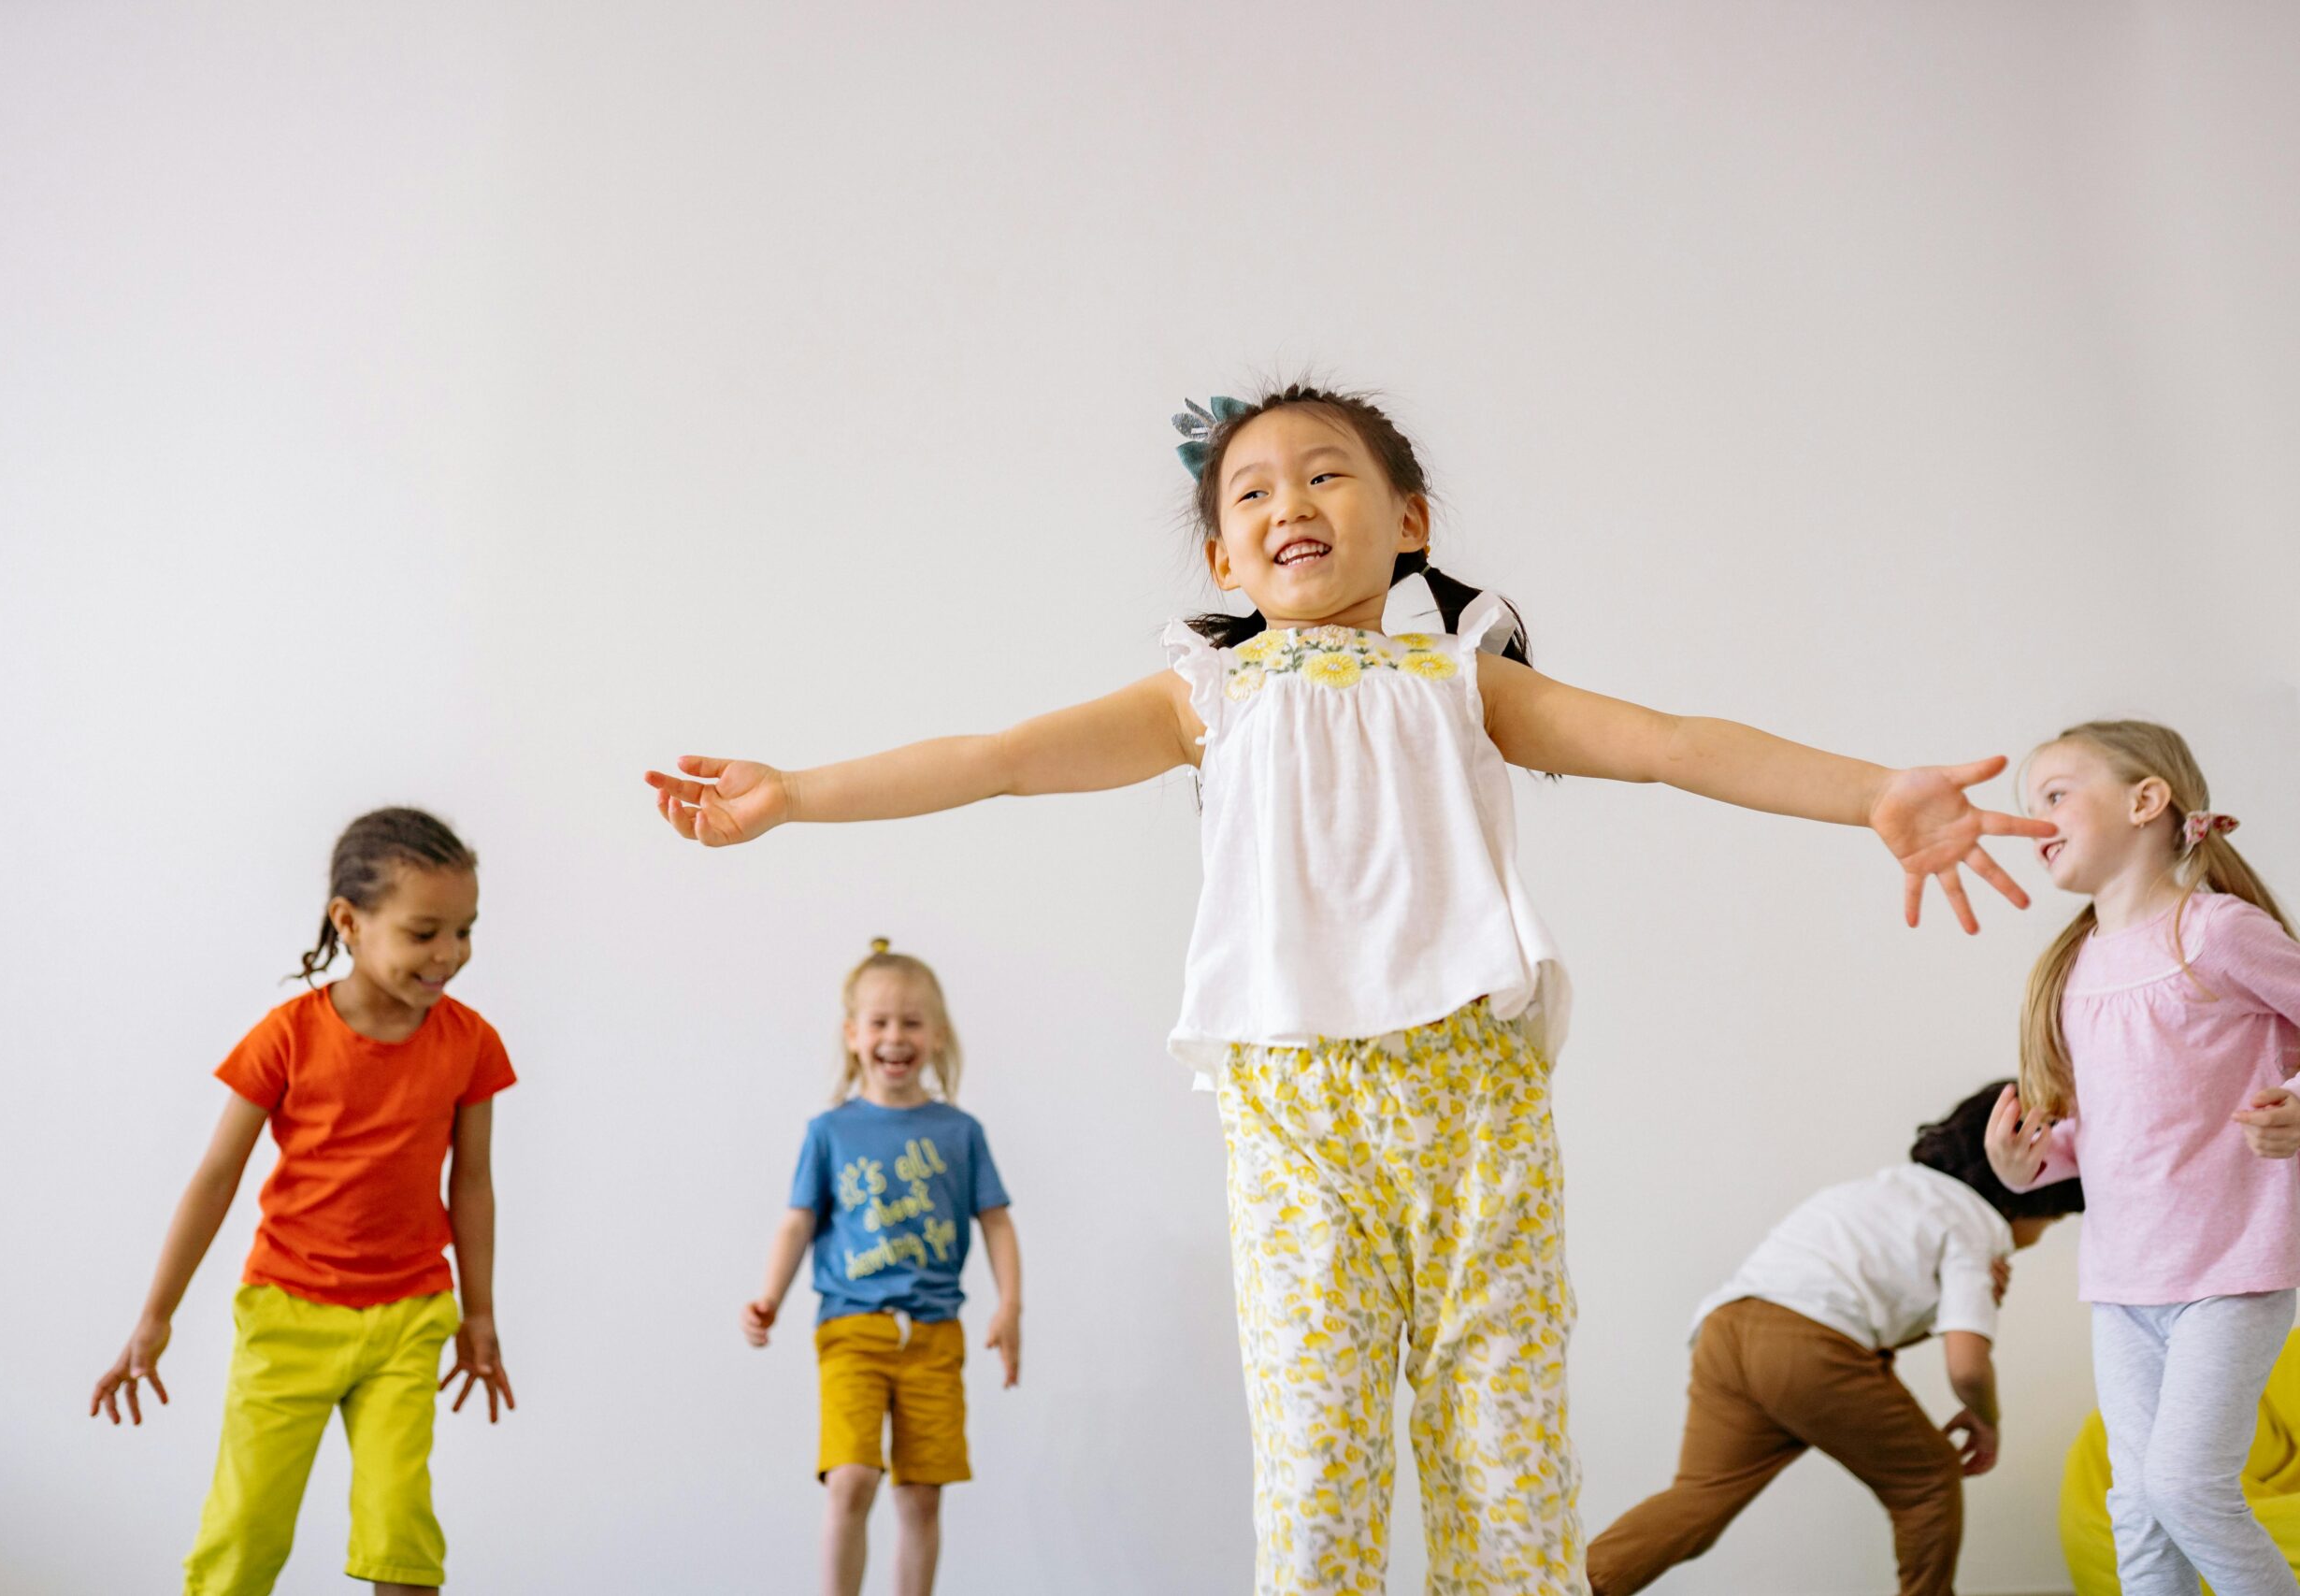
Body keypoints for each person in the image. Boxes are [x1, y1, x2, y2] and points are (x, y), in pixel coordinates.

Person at [648, 381, 2052, 1593]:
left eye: (1327, 472)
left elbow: (1671, 743)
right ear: (1222, 549)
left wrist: (1872, 790)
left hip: (1475, 1106)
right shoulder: (1208, 694)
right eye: (1252, 489)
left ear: (1411, 517)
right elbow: (1001, 754)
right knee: (1317, 1468)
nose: (1290, 501)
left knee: (1506, 1469)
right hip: (1297, 1115)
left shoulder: (1464, 675)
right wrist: (798, 796)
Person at [90, 808, 517, 1596]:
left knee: (402, 1535)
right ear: (349, 922)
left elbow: (474, 1181)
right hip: (287, 1312)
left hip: (408, 1316)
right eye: (425, 932)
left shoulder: (472, 1041)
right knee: (244, 1533)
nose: (450, 954)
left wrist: (480, 1314)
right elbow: (215, 1177)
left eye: (465, 930)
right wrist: (156, 1315)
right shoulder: (287, 1036)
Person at [1988, 720, 2300, 1594]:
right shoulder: (2073, 968)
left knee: (2185, 1487)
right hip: (2124, 1283)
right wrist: (2027, 1168)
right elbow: (2108, 1133)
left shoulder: (2218, 933)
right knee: (2136, 1506)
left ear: (2146, 800)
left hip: (2229, 1270)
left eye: (2053, 795)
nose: (2035, 821)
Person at [1586, 1081, 2084, 1595]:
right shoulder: (1976, 1229)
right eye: (2055, 1219)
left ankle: (1556, 1587)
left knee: (1699, 1497)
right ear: (2034, 1193)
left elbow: (1863, 1301)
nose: (2042, 1236)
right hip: (1807, 1346)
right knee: (1930, 1480)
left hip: (1726, 1329)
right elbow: (1967, 1367)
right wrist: (1986, 1419)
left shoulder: (1889, 1189)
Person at [742, 941, 1019, 1596]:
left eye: (912, 1023)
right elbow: (797, 1221)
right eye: (881, 1022)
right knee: (852, 1478)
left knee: (922, 1494)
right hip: (851, 1331)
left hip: (934, 1336)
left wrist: (1009, 1304)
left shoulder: (960, 1131)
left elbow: (997, 1221)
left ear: (938, 1035)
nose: (896, 1037)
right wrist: (770, 1296)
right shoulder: (830, 1130)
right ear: (853, 1034)